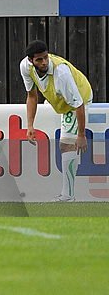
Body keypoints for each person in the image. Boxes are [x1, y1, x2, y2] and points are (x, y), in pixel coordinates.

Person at [22, 40, 92, 202]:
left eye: (46, 57)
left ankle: (68, 196)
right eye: (39, 59)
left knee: (66, 145)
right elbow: (32, 96)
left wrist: (81, 135)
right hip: (61, 98)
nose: (44, 62)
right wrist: (30, 125)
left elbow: (78, 104)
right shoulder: (25, 67)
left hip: (78, 98)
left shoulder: (62, 73)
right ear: (31, 61)